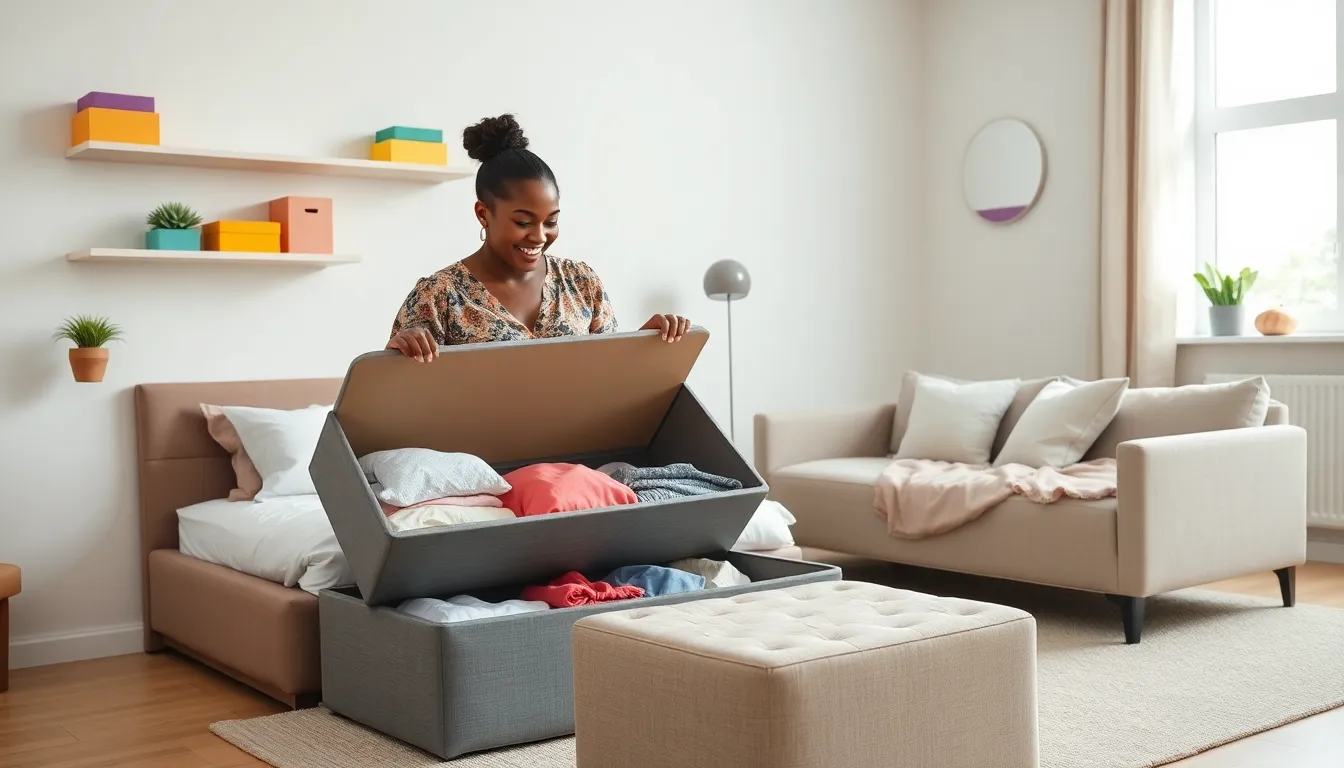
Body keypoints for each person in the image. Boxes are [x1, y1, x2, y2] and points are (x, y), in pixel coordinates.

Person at [387, 114, 691, 362]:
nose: (539, 236)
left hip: (585, 438)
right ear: (483, 214)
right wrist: (397, 356)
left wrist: (646, 346)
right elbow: (405, 400)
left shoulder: (582, 282)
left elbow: (610, 380)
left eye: (551, 221)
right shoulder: (439, 296)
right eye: (523, 222)